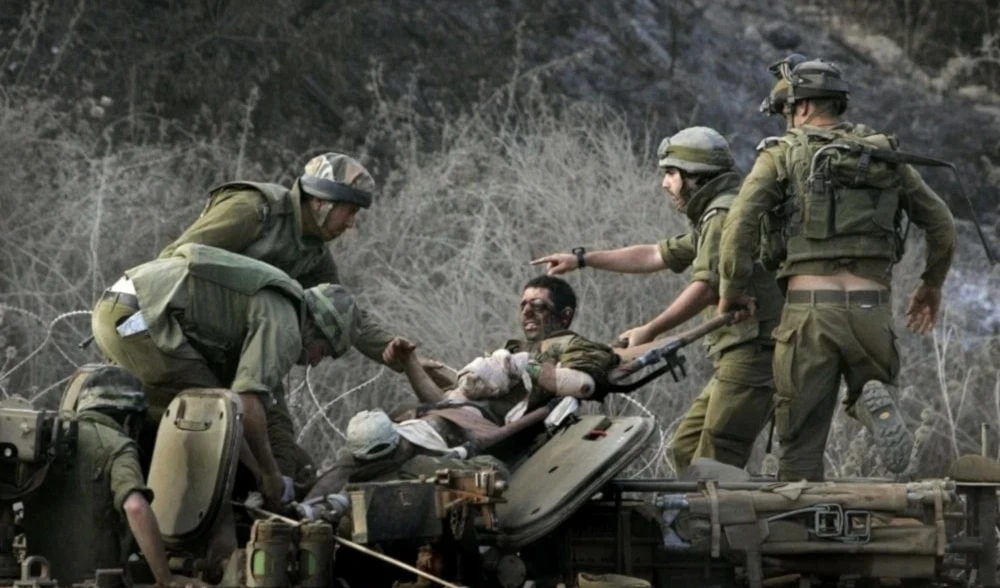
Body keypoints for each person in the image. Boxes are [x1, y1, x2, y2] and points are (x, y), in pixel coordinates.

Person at [717, 56, 957, 481]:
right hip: (870, 310)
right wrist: (930, 285)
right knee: (872, 388)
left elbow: (739, 224)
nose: (785, 122)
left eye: (785, 113)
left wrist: (732, 290)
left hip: (808, 312)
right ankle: (869, 404)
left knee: (799, 442)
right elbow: (941, 223)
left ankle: (803, 533)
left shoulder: (782, 156)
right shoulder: (882, 156)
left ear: (802, 107)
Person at [158, 152, 424, 485]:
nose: (351, 223)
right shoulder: (254, 211)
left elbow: (340, 314)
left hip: (249, 353)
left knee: (283, 451)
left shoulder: (314, 255)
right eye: (350, 210)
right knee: (210, 438)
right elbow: (174, 263)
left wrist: (405, 357)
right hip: (183, 340)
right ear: (321, 201)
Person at [531, 127, 782, 473]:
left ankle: (724, 525)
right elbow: (654, 255)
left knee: (715, 458)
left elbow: (707, 287)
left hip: (755, 352)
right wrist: (582, 259)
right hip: (740, 352)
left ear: (694, 177)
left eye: (670, 174)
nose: (664, 184)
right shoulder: (718, 214)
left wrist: (650, 330)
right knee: (685, 450)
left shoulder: (723, 216)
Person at [90, 243, 362, 508]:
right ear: (318, 329)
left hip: (121, 310)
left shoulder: (281, 307)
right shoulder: (287, 327)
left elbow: (272, 407)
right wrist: (267, 474)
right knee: (215, 417)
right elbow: (248, 403)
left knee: (209, 411)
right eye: (323, 351)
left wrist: (281, 469)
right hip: (140, 320)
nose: (314, 361)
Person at [306, 275, 620, 498]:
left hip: (464, 441)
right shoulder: (509, 353)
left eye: (538, 305)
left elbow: (584, 384)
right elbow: (445, 404)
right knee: (352, 460)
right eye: (523, 303)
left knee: (370, 469)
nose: (526, 311)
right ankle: (299, 515)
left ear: (564, 316)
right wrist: (411, 361)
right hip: (435, 426)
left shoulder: (571, 346)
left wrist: (523, 366)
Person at [21, 367, 202, 587]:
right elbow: (135, 507)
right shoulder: (116, 444)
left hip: (35, 579)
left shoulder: (44, 439)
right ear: (129, 421)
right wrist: (165, 578)